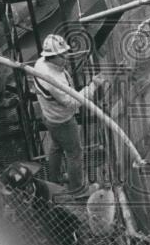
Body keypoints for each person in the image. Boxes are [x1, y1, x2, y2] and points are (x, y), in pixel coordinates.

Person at [32, 34, 103, 197]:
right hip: (62, 121)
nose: (66, 57)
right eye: (62, 55)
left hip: (49, 116)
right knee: (74, 153)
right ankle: (78, 189)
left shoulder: (40, 64)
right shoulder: (54, 80)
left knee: (56, 146)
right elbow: (72, 102)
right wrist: (93, 86)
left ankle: (55, 178)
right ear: (52, 56)